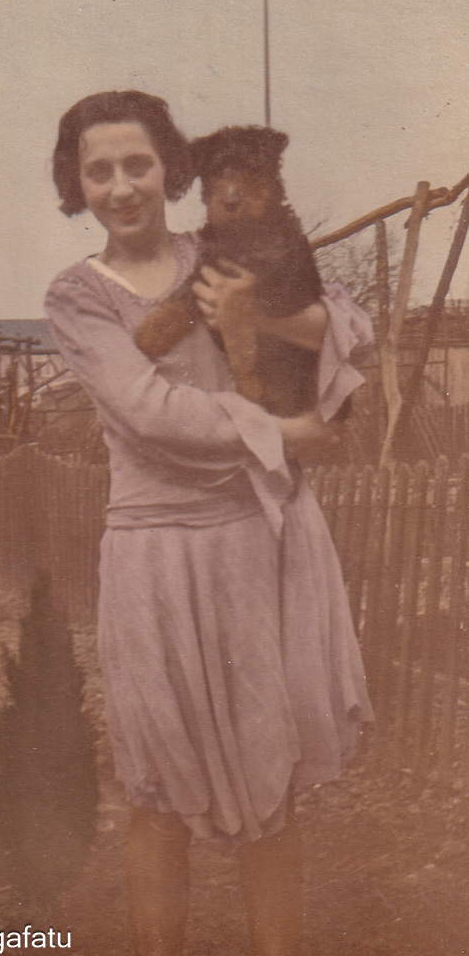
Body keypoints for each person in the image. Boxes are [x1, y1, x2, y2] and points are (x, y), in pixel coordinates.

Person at [44, 89, 374, 956]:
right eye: (99, 170)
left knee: (272, 788)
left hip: (258, 543)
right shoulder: (78, 299)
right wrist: (289, 433)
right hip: (158, 558)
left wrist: (251, 317)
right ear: (76, 184)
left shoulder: (222, 249)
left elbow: (339, 326)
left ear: (172, 169)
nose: (121, 186)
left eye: (139, 164)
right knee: (159, 792)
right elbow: (148, 411)